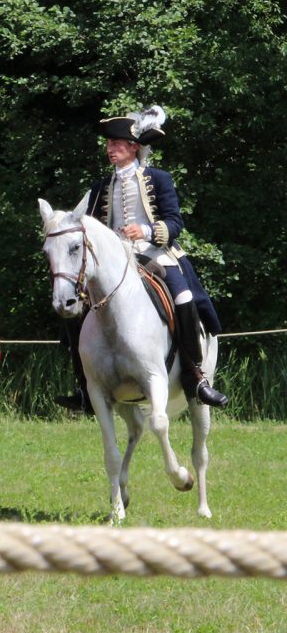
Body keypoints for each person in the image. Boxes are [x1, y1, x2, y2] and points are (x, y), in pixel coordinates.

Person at [54, 106, 227, 412]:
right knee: (75, 308)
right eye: (109, 145)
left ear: (133, 148)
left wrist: (145, 230)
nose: (111, 149)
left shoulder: (159, 179)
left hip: (154, 253)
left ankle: (196, 376)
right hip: (112, 261)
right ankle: (83, 386)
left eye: (116, 145)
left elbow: (174, 223)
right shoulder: (99, 188)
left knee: (184, 298)